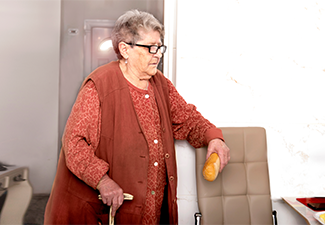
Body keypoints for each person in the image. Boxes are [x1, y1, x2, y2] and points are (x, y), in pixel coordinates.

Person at [44, 9, 230, 225]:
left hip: (151, 210)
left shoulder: (161, 83)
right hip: (104, 211)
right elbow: (74, 144)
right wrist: (102, 180)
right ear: (125, 49)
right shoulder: (98, 85)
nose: (158, 54)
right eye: (151, 47)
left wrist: (213, 137)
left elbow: (187, 119)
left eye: (160, 47)